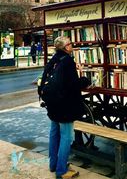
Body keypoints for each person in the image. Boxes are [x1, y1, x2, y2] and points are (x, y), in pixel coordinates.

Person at [45, 36, 90, 179]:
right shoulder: (68, 61)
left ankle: (53, 164)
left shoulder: (54, 59)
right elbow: (72, 85)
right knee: (67, 137)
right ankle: (61, 170)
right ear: (66, 48)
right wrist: (85, 79)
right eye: (70, 44)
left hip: (52, 104)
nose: (72, 46)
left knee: (54, 133)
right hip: (65, 106)